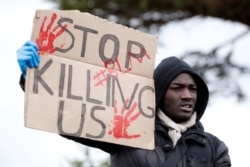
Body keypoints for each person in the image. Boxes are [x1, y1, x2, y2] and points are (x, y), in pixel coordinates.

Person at [17, 40, 231, 167]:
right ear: (158, 93)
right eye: (177, 88)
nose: (187, 95)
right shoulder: (126, 130)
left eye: (193, 89)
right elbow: (66, 117)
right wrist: (34, 77)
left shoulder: (214, 147)